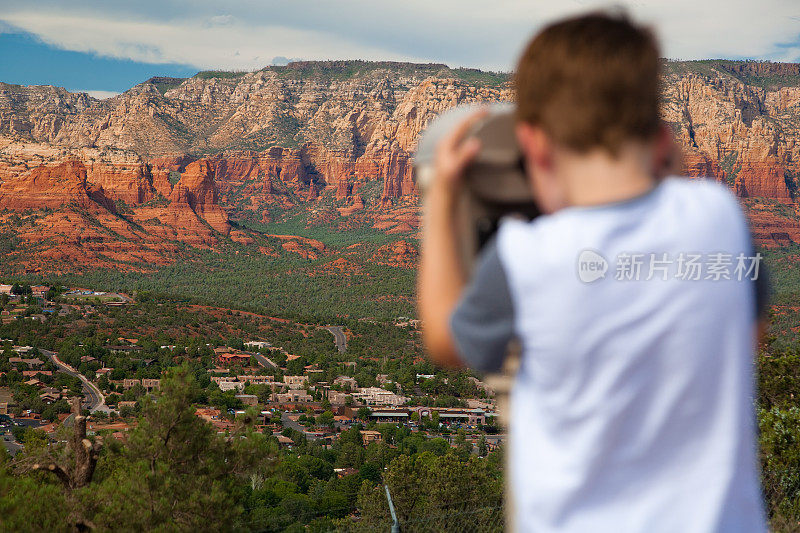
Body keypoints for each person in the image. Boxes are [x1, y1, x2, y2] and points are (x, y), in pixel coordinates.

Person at [417, 12, 767, 533]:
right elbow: (748, 336)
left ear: (533, 145)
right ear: (663, 140)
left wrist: (440, 196)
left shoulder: (526, 258)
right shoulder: (722, 219)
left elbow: (446, 342)